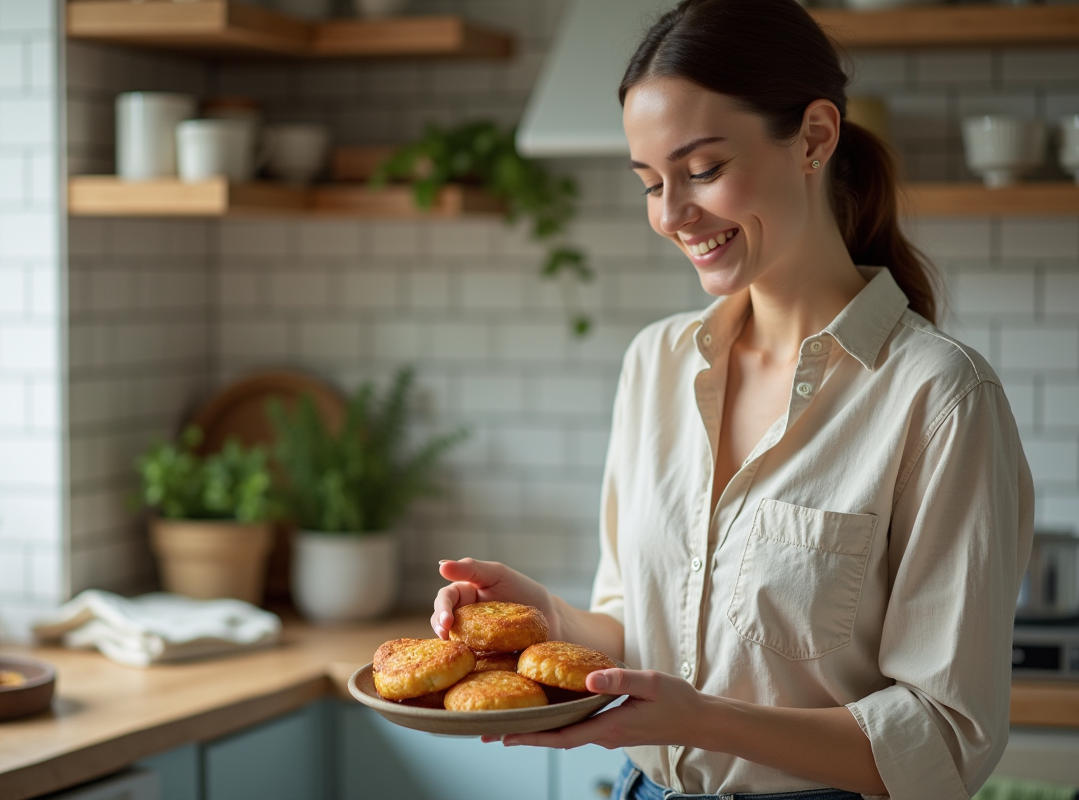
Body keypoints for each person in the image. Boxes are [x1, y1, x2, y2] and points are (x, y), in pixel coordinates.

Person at [431, 1, 1033, 798]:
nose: (672, 215)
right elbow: (639, 631)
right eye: (650, 183)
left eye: (703, 170)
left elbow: (945, 742)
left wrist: (698, 720)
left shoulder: (939, 397)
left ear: (815, 137)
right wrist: (543, 613)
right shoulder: (657, 364)